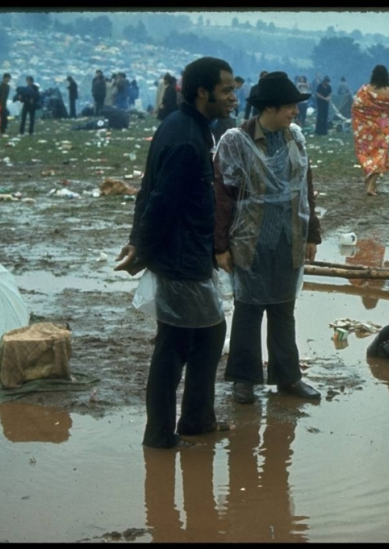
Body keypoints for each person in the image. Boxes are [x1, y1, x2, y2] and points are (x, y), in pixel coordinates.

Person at [113, 56, 237, 449]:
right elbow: (161, 202)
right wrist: (142, 252)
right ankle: (161, 435)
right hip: (180, 259)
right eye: (226, 91)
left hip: (187, 253)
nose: (233, 98)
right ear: (203, 92)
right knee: (176, 346)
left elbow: (147, 189)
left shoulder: (184, 126)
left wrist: (138, 241)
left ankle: (196, 420)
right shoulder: (186, 138)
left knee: (205, 336)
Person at [212, 71, 322, 405]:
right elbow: (222, 196)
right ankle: (243, 379)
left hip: (289, 235)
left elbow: (305, 187)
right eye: (290, 106)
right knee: (248, 309)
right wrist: (220, 246)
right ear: (270, 108)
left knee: (283, 309)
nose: (296, 112)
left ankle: (288, 377)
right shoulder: (236, 141)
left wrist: (312, 234)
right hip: (251, 237)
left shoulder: (295, 138)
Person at [351, 64, 389, 196]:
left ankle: (370, 180)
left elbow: (355, 107)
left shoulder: (364, 90)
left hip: (365, 129)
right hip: (382, 129)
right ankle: (371, 186)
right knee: (380, 155)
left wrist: (363, 120)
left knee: (367, 153)